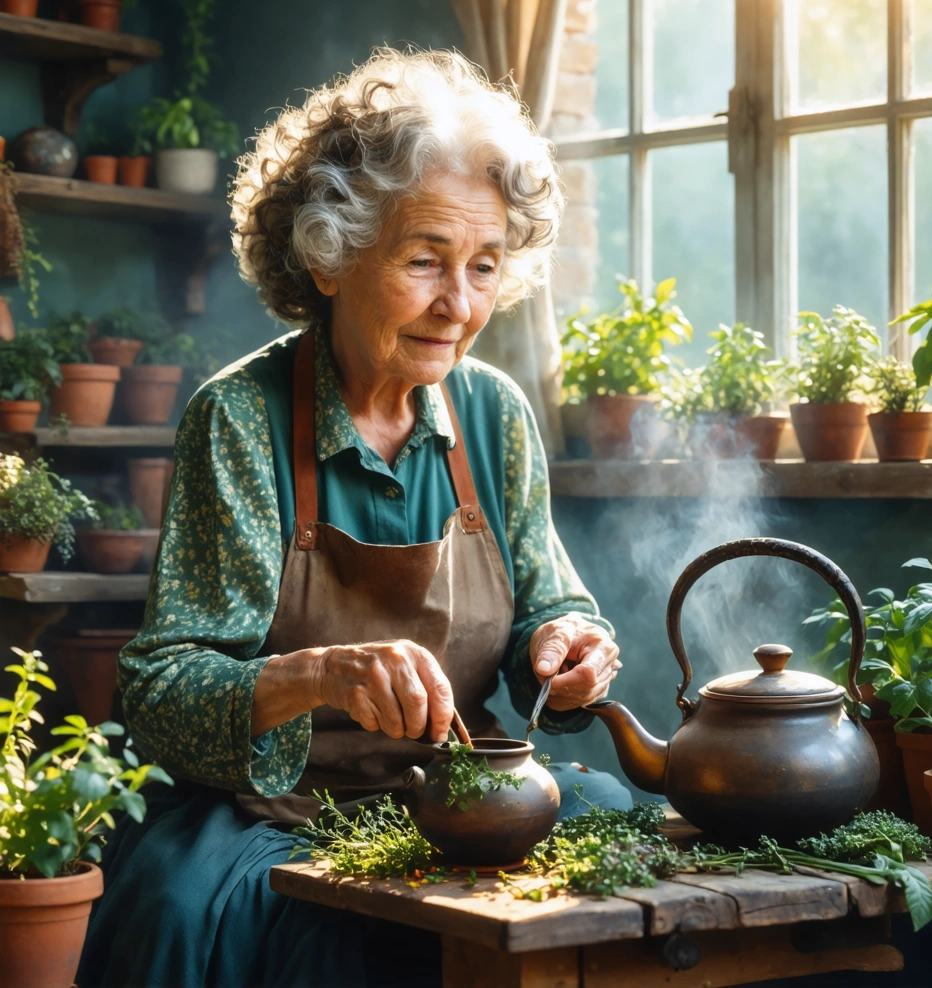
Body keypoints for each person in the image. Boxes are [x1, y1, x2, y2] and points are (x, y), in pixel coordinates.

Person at [77, 48, 631, 988]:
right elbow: (162, 694)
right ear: (330, 258)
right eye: (425, 261)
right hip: (270, 815)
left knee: (623, 829)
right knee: (194, 915)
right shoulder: (241, 417)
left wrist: (569, 651)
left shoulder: (492, 415)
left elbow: (549, 607)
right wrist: (318, 675)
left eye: (485, 267)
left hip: (458, 801)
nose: (459, 306)